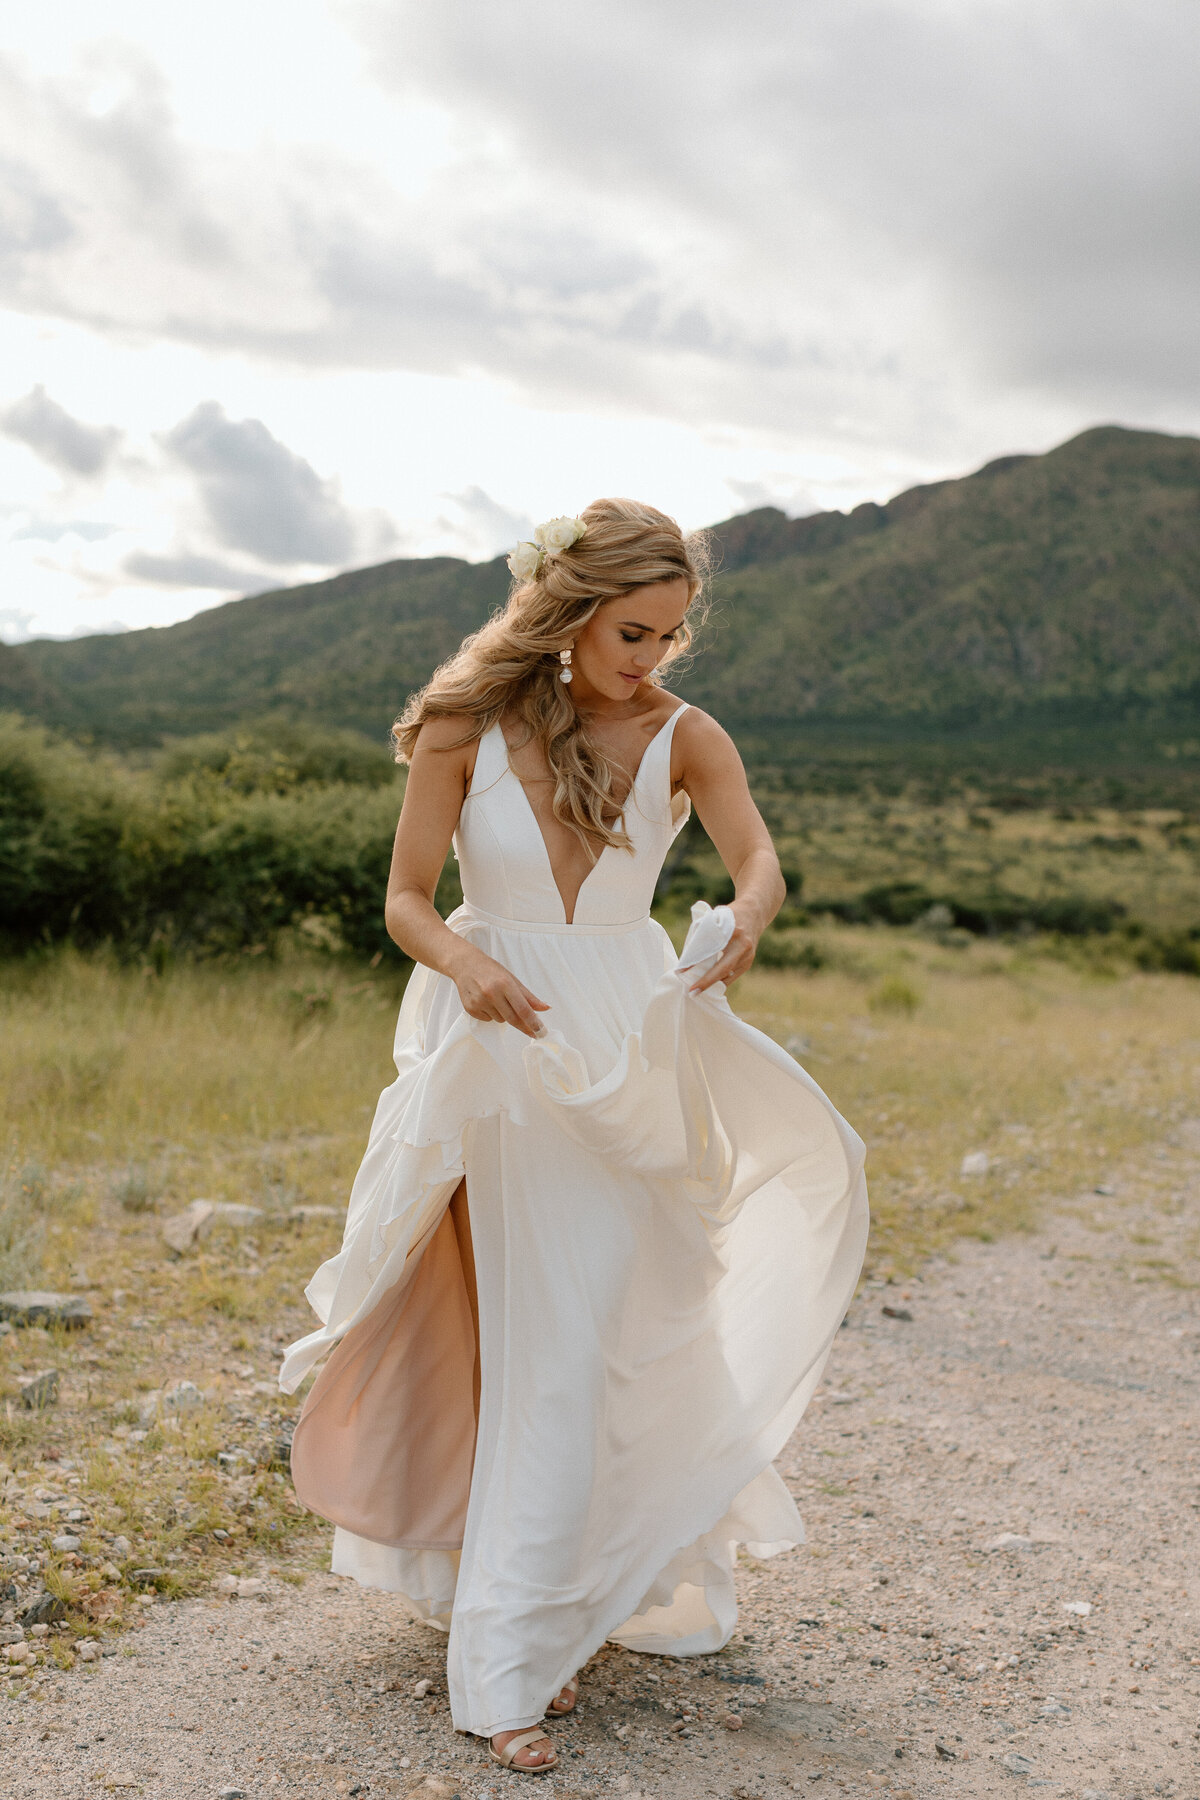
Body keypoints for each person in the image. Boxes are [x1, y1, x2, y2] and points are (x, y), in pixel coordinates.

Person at [279, 498, 868, 1775]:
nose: (650, 656)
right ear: (570, 606)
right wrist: (465, 965)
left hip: (630, 1033)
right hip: (502, 1041)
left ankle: (612, 1572)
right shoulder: (462, 722)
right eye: (631, 631)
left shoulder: (687, 736)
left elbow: (760, 860)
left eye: (668, 634)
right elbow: (403, 900)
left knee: (632, 1317)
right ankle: (504, 1670)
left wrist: (744, 919)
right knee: (544, 1333)